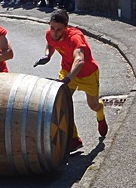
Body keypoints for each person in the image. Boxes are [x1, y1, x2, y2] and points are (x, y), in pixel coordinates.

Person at [34, 9, 108, 151]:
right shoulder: (50, 34)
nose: (55, 32)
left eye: (59, 29)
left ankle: (100, 112)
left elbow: (79, 60)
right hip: (67, 71)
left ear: (66, 27)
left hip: (87, 74)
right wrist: (47, 55)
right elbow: (50, 43)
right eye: (52, 28)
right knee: (61, 103)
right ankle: (75, 139)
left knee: (93, 105)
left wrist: (68, 79)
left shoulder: (75, 38)